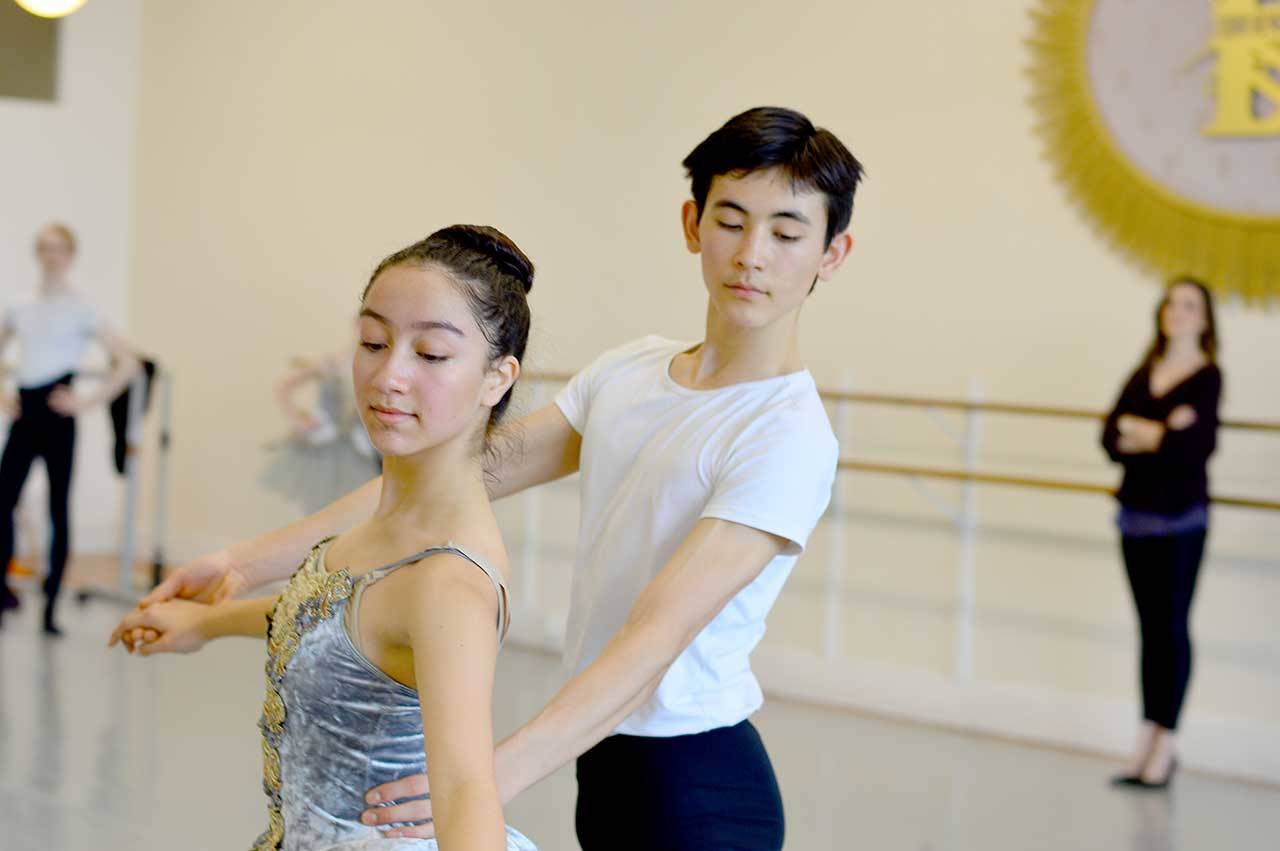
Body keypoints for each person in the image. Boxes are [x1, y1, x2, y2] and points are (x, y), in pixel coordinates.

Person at [126, 106, 863, 850]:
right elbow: (447, 475)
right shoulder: (632, 368)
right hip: (602, 760)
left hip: (700, 779)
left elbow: (656, 635)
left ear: (832, 253)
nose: (753, 254)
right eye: (732, 220)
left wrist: (482, 778)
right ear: (692, 223)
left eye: (787, 232)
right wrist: (242, 564)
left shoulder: (789, 436)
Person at [112, 225, 539, 850]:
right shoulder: (389, 524)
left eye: (431, 355)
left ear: (496, 379)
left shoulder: (448, 580)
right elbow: (341, 621)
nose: (388, 374)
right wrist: (205, 623)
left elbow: (464, 793)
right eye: (374, 341)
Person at [1102, 276, 1222, 790]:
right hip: (1135, 518)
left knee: (1172, 628)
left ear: (1204, 319)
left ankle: (1167, 743)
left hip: (1181, 522)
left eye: (1190, 305)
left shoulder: (1207, 378)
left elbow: (1193, 449)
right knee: (1149, 630)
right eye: (1172, 303)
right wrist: (1162, 431)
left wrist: (1148, 432)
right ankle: (1145, 735)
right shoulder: (1142, 373)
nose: (1178, 311)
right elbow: (1110, 437)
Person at [0, 223, 139, 635]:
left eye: (58, 249)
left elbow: (127, 361)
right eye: (44, 248)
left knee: (59, 509)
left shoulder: (83, 309)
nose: (51, 256)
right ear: (37, 253)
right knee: (4, 500)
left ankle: (51, 609)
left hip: (59, 415)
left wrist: (87, 400)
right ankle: (3, 588)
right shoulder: (20, 306)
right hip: (25, 413)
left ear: (70, 255)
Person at [259, 343, 381, 515]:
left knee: (358, 506)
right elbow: (284, 385)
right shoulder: (332, 361)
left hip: (359, 450)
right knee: (319, 506)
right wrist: (299, 420)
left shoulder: (379, 366)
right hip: (325, 448)